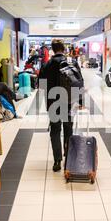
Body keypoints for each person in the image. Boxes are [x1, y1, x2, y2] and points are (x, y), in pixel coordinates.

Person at [39, 39, 83, 172]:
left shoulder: (47, 64)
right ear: (64, 49)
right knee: (68, 129)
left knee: (55, 131)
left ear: (52, 49)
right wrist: (80, 101)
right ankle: (68, 156)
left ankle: (57, 160)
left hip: (53, 102)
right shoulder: (72, 62)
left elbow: (41, 85)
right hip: (69, 101)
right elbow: (80, 82)